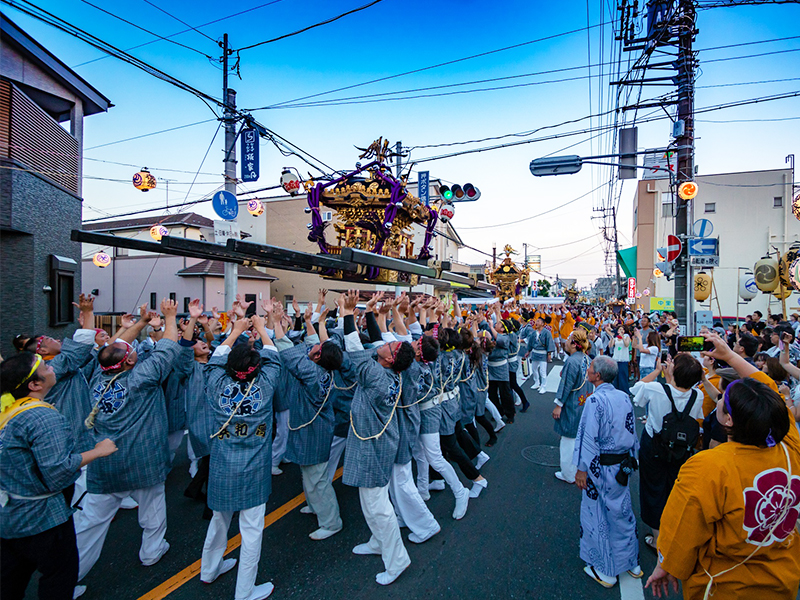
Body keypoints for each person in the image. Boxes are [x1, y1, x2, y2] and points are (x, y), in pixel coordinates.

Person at [646, 331, 800, 599]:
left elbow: (684, 528)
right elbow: (770, 392)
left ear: (728, 421)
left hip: (724, 585)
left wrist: (667, 565)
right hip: (783, 580)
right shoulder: (790, 449)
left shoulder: (708, 465)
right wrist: (728, 355)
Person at [74, 299, 189, 584]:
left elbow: (109, 352)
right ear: (128, 361)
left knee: (91, 526)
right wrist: (170, 316)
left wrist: (138, 324)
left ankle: (68, 578)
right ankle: (151, 551)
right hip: (143, 459)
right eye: (133, 351)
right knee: (152, 508)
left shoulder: (97, 377)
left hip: (105, 462)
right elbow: (168, 348)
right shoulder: (141, 378)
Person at [0, 352, 118, 600]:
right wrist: (97, 452)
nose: (51, 366)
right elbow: (58, 472)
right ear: (34, 385)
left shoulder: (9, 411)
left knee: (11, 581)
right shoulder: (42, 416)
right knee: (58, 578)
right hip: (42, 517)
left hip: (10, 514)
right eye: (44, 366)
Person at [201, 312, 282, 600]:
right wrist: (261, 328)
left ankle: (209, 570)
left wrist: (234, 332)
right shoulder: (267, 383)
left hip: (222, 466)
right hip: (254, 468)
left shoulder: (215, 382)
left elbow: (215, 360)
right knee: (251, 531)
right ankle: (245, 590)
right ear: (257, 368)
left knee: (219, 521)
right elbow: (273, 356)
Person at [340, 290, 415, 586]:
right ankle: (377, 542)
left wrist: (348, 313)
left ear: (389, 359)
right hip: (376, 440)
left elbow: (355, 347)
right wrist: (370, 312)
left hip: (372, 444)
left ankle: (397, 560)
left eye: (392, 344)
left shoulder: (375, 375)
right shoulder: (389, 369)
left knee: (378, 506)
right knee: (370, 498)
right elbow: (374, 343)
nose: (388, 342)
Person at [277, 301, 344, 541]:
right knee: (310, 474)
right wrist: (308, 321)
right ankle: (315, 506)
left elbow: (290, 355)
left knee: (317, 478)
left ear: (316, 357)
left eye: (316, 349)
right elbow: (311, 347)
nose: (313, 348)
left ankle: (331, 521)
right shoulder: (324, 368)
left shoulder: (313, 372)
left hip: (313, 431)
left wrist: (275, 323)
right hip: (315, 428)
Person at [574, 355, 641, 588]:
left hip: (601, 467)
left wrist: (582, 469)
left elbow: (589, 438)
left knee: (599, 516)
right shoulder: (623, 395)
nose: (588, 369)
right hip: (622, 464)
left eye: (591, 367)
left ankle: (607, 570)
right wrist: (633, 458)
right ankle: (632, 562)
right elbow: (632, 431)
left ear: (597, 376)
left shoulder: (595, 401)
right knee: (622, 512)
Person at [631, 352, 703, 552]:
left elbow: (636, 389)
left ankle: (657, 538)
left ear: (674, 370)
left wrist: (657, 371)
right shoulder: (698, 395)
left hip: (654, 445)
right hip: (682, 449)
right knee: (673, 487)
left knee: (652, 487)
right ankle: (674, 531)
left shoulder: (656, 389)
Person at [552, 329, 593, 484]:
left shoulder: (572, 361)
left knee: (568, 440)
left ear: (574, 344)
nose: (566, 342)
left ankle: (568, 474)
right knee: (580, 439)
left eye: (568, 339)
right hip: (584, 402)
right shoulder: (586, 358)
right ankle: (577, 469)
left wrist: (558, 405)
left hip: (572, 403)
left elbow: (565, 385)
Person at [523, 316, 555, 395]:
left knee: (542, 371)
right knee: (534, 369)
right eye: (536, 321)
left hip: (543, 353)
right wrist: (528, 351)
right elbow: (530, 343)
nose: (536, 323)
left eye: (538, 321)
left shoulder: (547, 332)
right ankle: (537, 382)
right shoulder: (534, 332)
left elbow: (549, 343)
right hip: (535, 352)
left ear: (543, 324)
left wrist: (549, 354)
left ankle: (543, 386)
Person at [610, 326, 631, 395]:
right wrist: (612, 338)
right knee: (616, 376)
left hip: (623, 359)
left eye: (622, 329)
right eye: (619, 329)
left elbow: (627, 344)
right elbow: (610, 346)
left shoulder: (627, 337)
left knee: (623, 375)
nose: (621, 331)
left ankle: (625, 391)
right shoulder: (616, 339)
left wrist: (622, 336)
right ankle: (616, 390)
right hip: (616, 358)